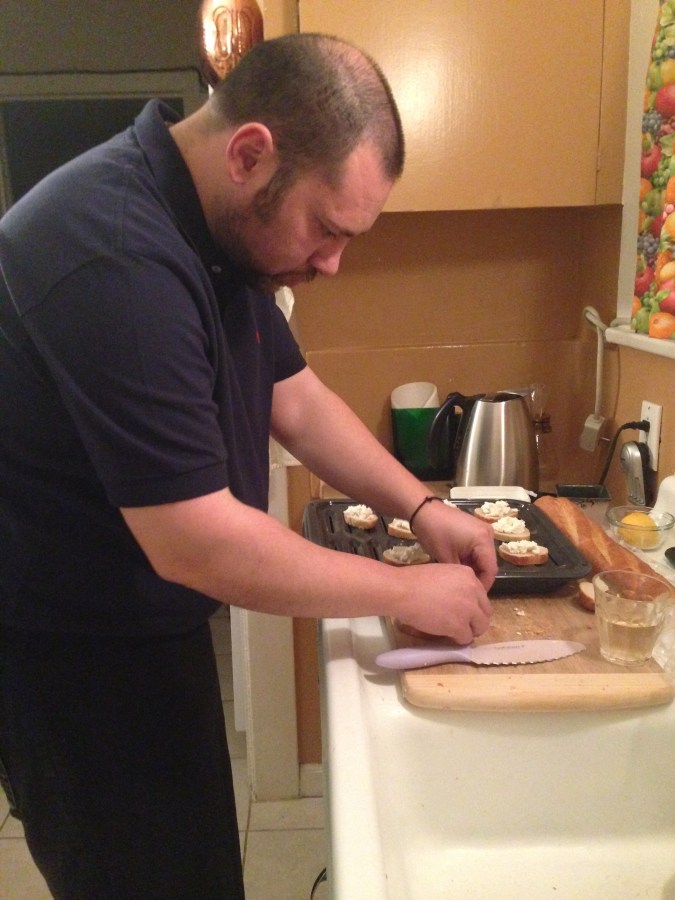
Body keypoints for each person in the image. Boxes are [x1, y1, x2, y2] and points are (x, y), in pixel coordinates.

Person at [0, 32, 496, 899]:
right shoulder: (112, 253)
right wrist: (402, 589)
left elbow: (294, 399)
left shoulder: (212, 227)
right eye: (326, 228)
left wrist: (422, 509)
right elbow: (196, 543)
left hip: (142, 622)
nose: (331, 263)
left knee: (193, 872)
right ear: (249, 154)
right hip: (66, 657)